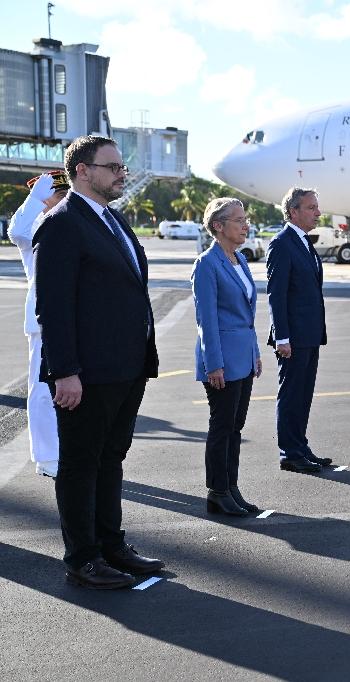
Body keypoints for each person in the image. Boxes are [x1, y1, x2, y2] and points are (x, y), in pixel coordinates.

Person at [34, 135, 164, 589]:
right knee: (80, 464)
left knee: (111, 459)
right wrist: (64, 370)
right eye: (112, 167)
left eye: (121, 167)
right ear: (83, 171)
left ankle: (112, 545)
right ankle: (83, 557)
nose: (121, 174)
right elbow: (53, 306)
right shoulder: (62, 224)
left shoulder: (113, 220)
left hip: (126, 367)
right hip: (86, 372)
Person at [192, 198, 263, 515]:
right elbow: (206, 319)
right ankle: (217, 491)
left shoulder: (239, 259)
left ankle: (231, 487)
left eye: (245, 219)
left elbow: (246, 314)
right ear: (218, 226)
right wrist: (214, 364)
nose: (245, 225)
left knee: (236, 426)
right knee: (222, 427)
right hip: (221, 360)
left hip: (243, 357)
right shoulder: (207, 264)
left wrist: (255, 352)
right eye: (239, 220)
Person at [9, 171, 69, 478]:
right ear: (44, 199)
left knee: (74, 390)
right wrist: (32, 201)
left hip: (75, 320)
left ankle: (69, 451)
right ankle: (48, 457)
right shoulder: (33, 228)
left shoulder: (72, 226)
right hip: (43, 321)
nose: (62, 202)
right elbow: (15, 230)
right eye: (56, 196)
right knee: (43, 391)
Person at [267, 187, 332, 473]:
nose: (318, 212)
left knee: (304, 394)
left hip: (309, 334)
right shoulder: (281, 244)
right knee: (292, 394)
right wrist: (282, 336)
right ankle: (290, 453)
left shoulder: (304, 242)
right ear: (293, 211)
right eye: (311, 207)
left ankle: (301, 447)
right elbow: (276, 295)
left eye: (317, 207)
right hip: (292, 337)